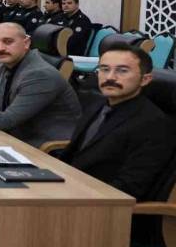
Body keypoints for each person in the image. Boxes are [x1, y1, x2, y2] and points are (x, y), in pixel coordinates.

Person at [59, 46, 176, 201]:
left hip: (100, 203)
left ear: (145, 79)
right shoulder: (98, 103)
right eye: (104, 69)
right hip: (70, 186)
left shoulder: (154, 124)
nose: (110, 77)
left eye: (122, 71)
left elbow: (129, 187)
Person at [0, 22, 81, 146]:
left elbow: (8, 120)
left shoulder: (40, 74)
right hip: (13, 136)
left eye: (8, 41)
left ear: (26, 43)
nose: (1, 48)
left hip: (44, 146)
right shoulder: (4, 65)